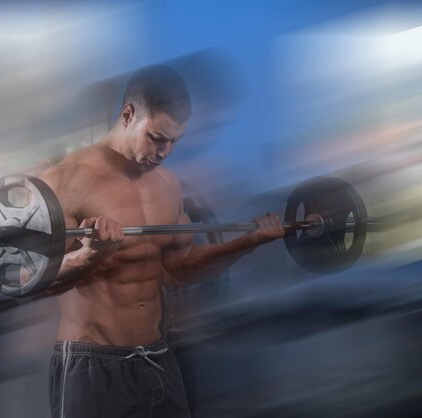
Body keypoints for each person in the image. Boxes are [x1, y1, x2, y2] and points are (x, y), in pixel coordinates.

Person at [38, 65, 284, 418]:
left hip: (157, 358)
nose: (166, 151)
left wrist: (248, 243)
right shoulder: (66, 181)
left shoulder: (167, 185)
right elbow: (38, 282)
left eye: (174, 141)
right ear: (128, 115)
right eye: (156, 137)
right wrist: (90, 254)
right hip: (93, 363)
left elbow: (179, 268)